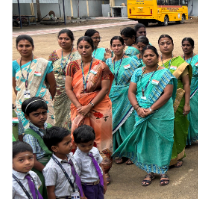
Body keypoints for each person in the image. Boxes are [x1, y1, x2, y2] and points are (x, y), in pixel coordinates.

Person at [113, 46, 177, 186]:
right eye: (146, 56)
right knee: (145, 141)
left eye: (151, 55)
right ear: (142, 58)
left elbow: (167, 94)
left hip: (161, 113)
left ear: (157, 57)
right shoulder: (138, 72)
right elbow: (131, 91)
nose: (149, 58)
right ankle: (149, 171)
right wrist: (137, 108)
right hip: (140, 111)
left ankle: (163, 171)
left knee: (162, 141)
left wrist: (151, 109)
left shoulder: (165, 73)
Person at [65, 36, 114, 185]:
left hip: (99, 106)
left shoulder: (101, 65)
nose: (84, 50)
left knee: (102, 139)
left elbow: (105, 88)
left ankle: (104, 171)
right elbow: (68, 88)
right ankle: (80, 170)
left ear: (93, 48)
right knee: (77, 136)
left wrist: (90, 105)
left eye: (87, 47)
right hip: (78, 107)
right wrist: (80, 106)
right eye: (81, 47)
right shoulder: (72, 66)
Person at [21, 98, 55, 199]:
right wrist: (47, 171)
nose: (41, 117)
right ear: (27, 116)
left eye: (44, 113)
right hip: (41, 171)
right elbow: (32, 160)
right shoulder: (29, 135)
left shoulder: (48, 128)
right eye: (36, 114)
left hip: (52, 166)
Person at [105, 36, 141, 165]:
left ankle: (131, 153)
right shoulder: (108, 62)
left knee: (128, 125)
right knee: (113, 124)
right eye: (114, 45)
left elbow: (139, 76)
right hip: (112, 97)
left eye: (119, 45)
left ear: (124, 46)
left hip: (127, 97)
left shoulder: (132, 61)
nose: (116, 48)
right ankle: (118, 152)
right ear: (111, 47)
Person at [159, 35, 192, 167]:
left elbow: (186, 84)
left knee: (177, 126)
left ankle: (177, 156)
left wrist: (187, 104)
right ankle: (164, 156)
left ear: (173, 45)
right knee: (163, 128)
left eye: (168, 43)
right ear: (159, 46)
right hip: (159, 101)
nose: (165, 45)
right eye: (162, 43)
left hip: (178, 100)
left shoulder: (180, 63)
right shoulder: (155, 62)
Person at [13, 35, 56, 137]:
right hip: (22, 102)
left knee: (47, 131)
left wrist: (46, 100)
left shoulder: (43, 63)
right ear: (17, 48)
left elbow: (53, 85)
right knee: (25, 132)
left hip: (43, 102)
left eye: (27, 45)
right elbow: (16, 87)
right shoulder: (13, 65)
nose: (24, 48)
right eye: (21, 46)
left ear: (33, 47)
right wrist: (23, 99)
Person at [48, 29, 80, 130]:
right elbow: (48, 72)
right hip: (57, 92)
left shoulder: (79, 54)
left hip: (74, 91)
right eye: (60, 38)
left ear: (72, 40)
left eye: (66, 39)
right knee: (57, 115)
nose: (63, 41)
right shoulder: (54, 54)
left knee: (72, 116)